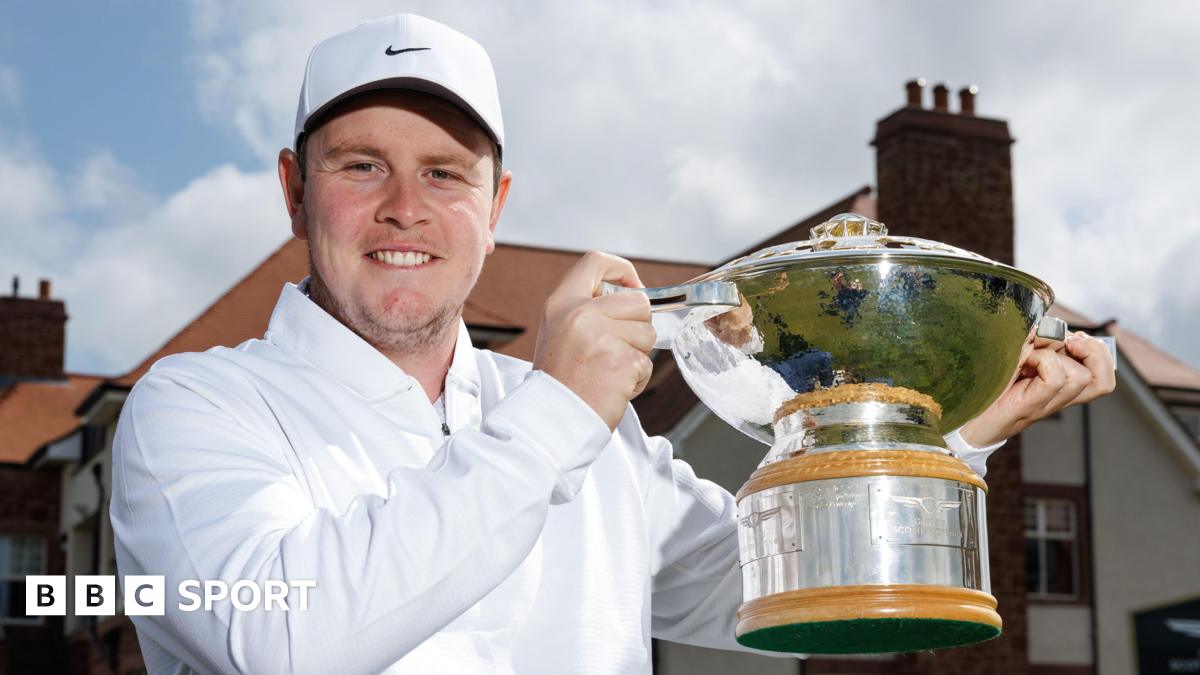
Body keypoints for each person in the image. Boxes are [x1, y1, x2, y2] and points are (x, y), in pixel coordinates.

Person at [109, 13, 1116, 675]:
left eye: (447, 174)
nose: (406, 209)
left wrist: (948, 433)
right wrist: (560, 413)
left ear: (495, 204)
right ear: (295, 192)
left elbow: (784, 589)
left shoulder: (587, 431)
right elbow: (281, 639)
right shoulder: (192, 409)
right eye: (362, 166)